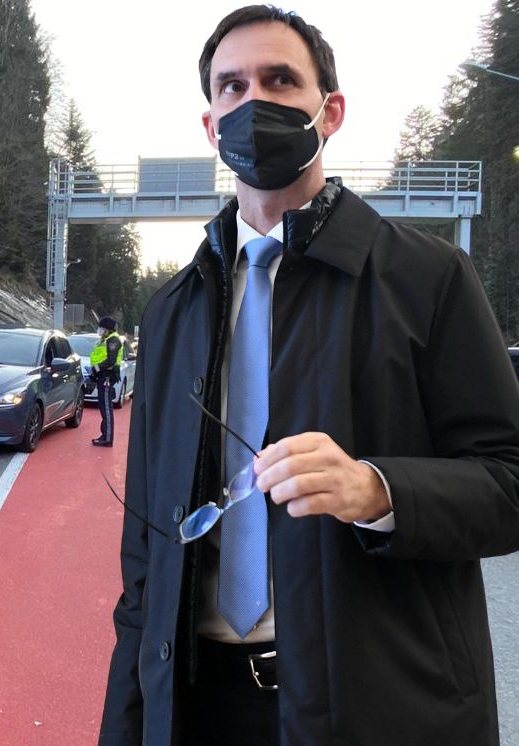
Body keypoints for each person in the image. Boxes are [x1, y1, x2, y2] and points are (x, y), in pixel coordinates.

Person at [98, 6, 519, 746]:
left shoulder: (428, 279)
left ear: (330, 112)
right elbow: (147, 557)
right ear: (209, 124)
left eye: (280, 79)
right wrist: (129, 724)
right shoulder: (172, 310)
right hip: (199, 706)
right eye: (232, 86)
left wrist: (378, 490)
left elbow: (510, 482)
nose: (253, 101)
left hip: (378, 708)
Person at [90, 316, 124, 447]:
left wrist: (96, 368)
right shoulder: (107, 340)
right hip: (103, 376)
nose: (100, 331)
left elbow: (110, 360)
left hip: (107, 377)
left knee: (107, 409)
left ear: (108, 330)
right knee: (104, 407)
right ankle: (104, 434)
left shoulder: (113, 340)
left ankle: (107, 438)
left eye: (102, 328)